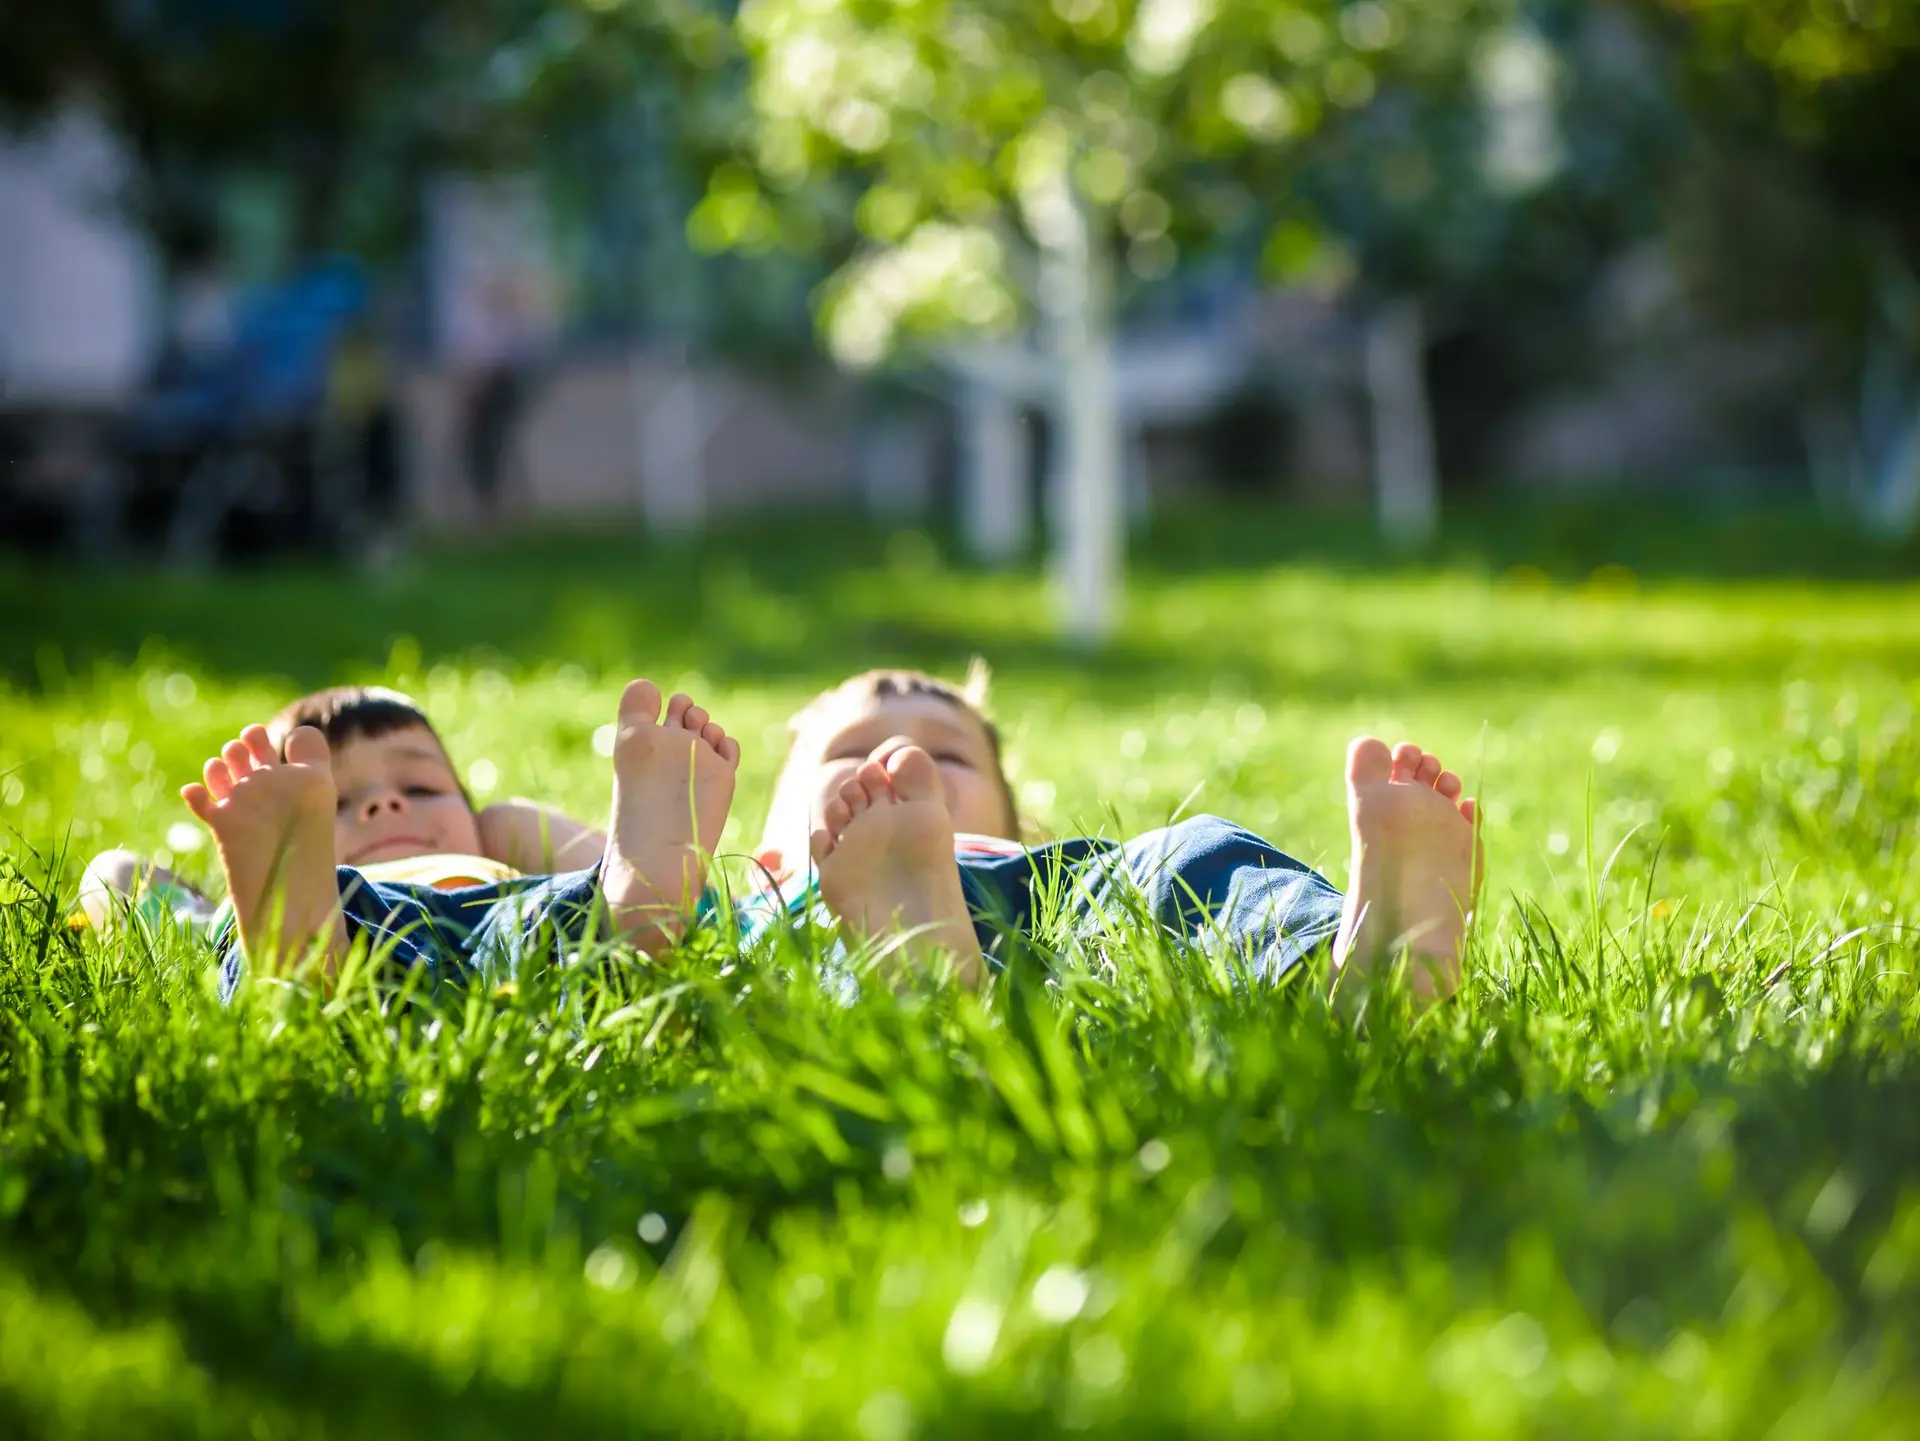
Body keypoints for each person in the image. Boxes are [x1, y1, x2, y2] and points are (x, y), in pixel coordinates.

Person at [750, 667, 1482, 1002]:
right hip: (844, 906)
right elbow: (652, 957)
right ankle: (917, 964)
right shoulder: (766, 899)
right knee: (814, 935)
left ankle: (1356, 954)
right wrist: (642, 885)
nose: (897, 767)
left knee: (1194, 854)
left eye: (947, 757)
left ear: (1015, 824)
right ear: (766, 858)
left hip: (1044, 901)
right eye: (851, 755)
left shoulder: (1056, 869)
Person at [80, 685, 615, 946]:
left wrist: (504, 823)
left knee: (601, 904)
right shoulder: (276, 903)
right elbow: (116, 881)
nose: (384, 804)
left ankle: (648, 890)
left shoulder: (500, 857)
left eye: (421, 788)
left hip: (499, 931)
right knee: (118, 871)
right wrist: (238, 904)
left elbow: (594, 871)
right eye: (331, 804)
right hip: (328, 923)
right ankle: (280, 943)